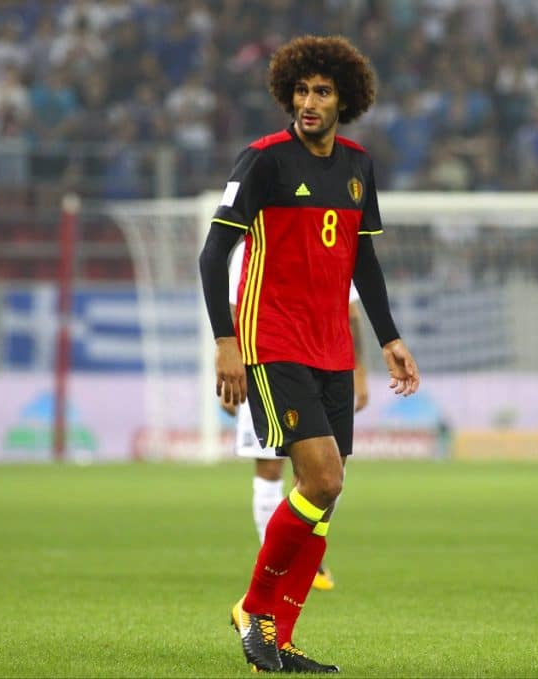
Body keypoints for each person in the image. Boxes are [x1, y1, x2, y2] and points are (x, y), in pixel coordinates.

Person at [198, 35, 419, 674]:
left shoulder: (358, 166)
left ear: (345, 100)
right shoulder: (263, 160)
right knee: (321, 479)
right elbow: (213, 255)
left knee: (325, 494)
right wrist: (226, 342)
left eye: (322, 91)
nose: (309, 102)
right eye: (300, 90)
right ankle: (253, 609)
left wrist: (389, 338)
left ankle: (281, 637)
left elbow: (362, 260)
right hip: (272, 341)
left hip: (331, 345)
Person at [222, 241, 369, 594]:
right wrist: (232, 365)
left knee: (326, 471)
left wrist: (359, 371)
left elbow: (351, 312)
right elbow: (235, 311)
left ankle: (302, 556)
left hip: (325, 366)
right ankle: (275, 559)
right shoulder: (250, 248)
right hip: (266, 364)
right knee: (270, 466)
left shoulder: (329, 236)